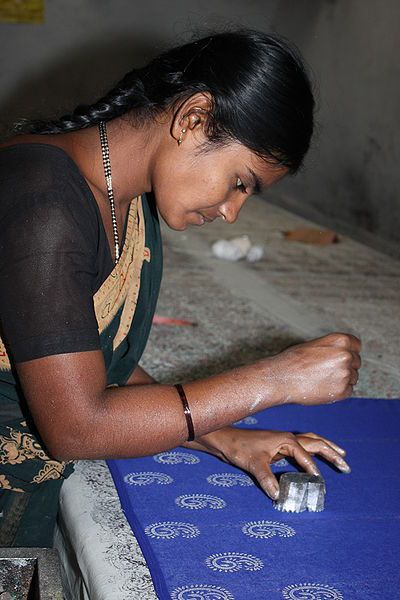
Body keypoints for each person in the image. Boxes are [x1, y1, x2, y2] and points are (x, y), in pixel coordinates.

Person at [0, 29, 361, 547]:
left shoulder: (130, 198)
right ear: (194, 118)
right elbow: (77, 426)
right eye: (240, 182)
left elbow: (93, 363)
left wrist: (225, 439)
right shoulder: (43, 202)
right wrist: (276, 378)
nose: (232, 212)